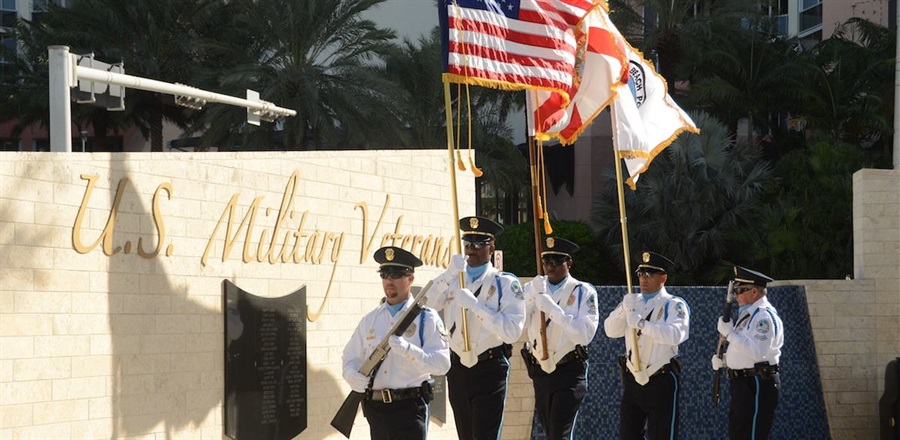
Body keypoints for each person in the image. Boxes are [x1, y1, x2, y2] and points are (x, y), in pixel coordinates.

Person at [427, 216, 526, 440]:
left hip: (489, 368)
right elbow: (429, 304)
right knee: (465, 435)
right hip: (458, 368)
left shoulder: (505, 283)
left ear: (491, 247)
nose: (471, 250)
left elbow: (512, 331)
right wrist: (448, 273)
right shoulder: (454, 279)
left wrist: (476, 306)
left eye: (479, 245)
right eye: (468, 244)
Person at [341, 246, 451, 440]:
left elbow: (442, 364)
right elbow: (350, 357)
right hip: (376, 410)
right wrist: (351, 375)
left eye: (396, 274)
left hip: (410, 407)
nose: (389, 280)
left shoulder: (426, 318)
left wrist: (409, 350)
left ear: (411, 279)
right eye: (385, 274)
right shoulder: (371, 320)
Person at [603, 251, 690, 440]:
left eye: (650, 274)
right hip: (633, 380)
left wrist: (643, 324)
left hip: (661, 380)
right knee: (628, 435)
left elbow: (676, 335)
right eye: (641, 274)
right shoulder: (632, 302)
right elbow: (610, 331)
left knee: (662, 435)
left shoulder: (673, 304)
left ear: (663, 278)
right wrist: (623, 312)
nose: (644, 279)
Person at [521, 237, 599, 439]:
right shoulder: (534, 288)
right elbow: (517, 324)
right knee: (550, 431)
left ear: (569, 263)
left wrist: (553, 311)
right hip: (541, 371)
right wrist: (530, 296)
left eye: (556, 261)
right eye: (547, 262)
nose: (550, 267)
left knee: (559, 433)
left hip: (568, 371)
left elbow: (585, 334)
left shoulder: (582, 291)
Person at [711, 266, 783, 440]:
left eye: (740, 290)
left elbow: (757, 352)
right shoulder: (749, 314)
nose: (735, 295)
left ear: (754, 292)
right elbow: (744, 349)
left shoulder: (763, 317)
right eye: (735, 290)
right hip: (742, 384)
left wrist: (729, 333)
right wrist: (726, 360)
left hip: (756, 383)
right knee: (738, 434)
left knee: (751, 435)